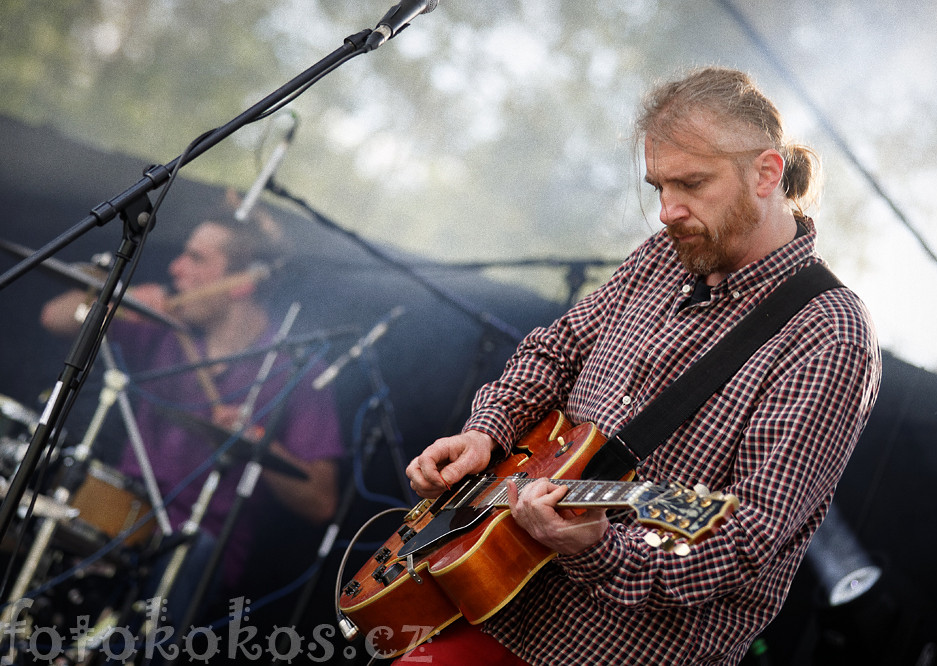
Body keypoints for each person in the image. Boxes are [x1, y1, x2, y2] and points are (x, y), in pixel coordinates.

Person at [403, 66, 882, 665]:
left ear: (766, 173)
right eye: (659, 187)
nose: (666, 212)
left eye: (691, 184)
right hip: (487, 604)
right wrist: (487, 430)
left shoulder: (829, 333)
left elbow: (747, 535)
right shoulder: (665, 252)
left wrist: (600, 549)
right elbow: (556, 349)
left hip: (612, 650)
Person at [40, 204, 343, 627]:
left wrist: (257, 439)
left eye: (196, 258)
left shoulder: (293, 371)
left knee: (189, 552)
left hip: (193, 545)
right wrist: (116, 301)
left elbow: (320, 501)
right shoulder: (161, 325)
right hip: (118, 512)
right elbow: (55, 315)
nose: (177, 268)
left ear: (241, 284)